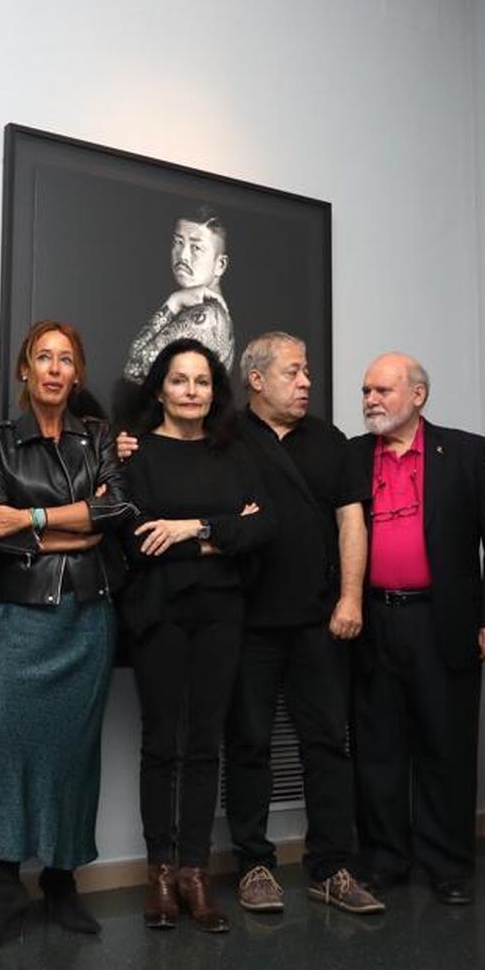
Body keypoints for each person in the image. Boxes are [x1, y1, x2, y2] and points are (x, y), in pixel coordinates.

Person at [0, 320, 135, 958]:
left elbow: (118, 512)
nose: (55, 369)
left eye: (66, 360)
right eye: (43, 358)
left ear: (78, 374)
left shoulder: (98, 436)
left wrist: (35, 518)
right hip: (19, 616)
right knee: (7, 748)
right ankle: (5, 890)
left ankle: (62, 883)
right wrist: (78, 526)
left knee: (73, 754)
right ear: (24, 371)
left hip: (87, 616)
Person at [219, 332, 382, 916]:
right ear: (257, 380)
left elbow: (352, 522)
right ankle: (254, 864)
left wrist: (351, 599)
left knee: (326, 744)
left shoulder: (330, 440)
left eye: (308, 371)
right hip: (247, 620)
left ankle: (332, 867)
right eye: (293, 372)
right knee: (248, 745)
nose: (307, 381)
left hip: (320, 617)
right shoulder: (225, 435)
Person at [119, 338, 274, 934]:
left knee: (207, 742)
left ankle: (194, 872)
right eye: (180, 380)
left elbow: (266, 529)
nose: (191, 391)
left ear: (216, 391)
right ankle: (160, 873)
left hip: (220, 614)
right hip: (157, 614)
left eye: (203, 381)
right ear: (159, 388)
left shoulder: (233, 453)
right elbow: (134, 538)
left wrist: (192, 529)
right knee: (161, 743)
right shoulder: (134, 455)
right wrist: (222, 537)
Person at [350, 353, 485, 907]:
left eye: (383, 390)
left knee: (446, 745)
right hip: (373, 622)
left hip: (442, 620)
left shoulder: (466, 453)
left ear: (417, 395)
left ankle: (448, 866)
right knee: (379, 749)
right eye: (366, 390)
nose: (371, 399)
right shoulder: (352, 456)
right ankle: (386, 861)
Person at [122, 208, 235, 384]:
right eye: (178, 242)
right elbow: (135, 353)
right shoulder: (202, 310)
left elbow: (133, 372)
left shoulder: (206, 318)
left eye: (196, 247)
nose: (183, 255)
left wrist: (174, 302)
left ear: (220, 265)